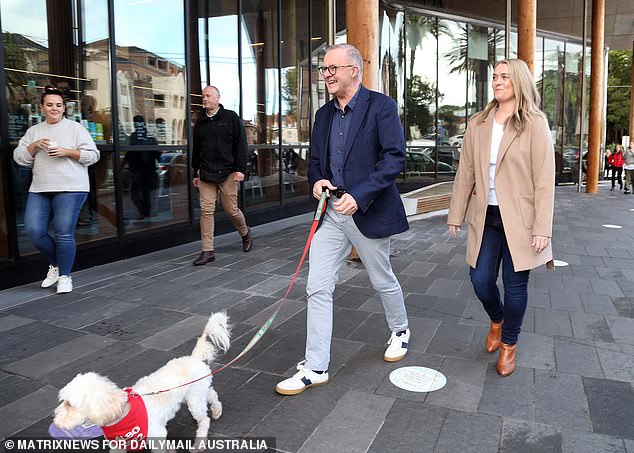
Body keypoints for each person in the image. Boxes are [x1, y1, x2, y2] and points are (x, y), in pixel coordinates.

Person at [275, 44, 410, 395]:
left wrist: (360, 195)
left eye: (333, 68)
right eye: (324, 69)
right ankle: (316, 366)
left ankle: (400, 329)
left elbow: (394, 158)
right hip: (332, 214)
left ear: (355, 69)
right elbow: (317, 162)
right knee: (317, 286)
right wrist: (317, 180)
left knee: (382, 280)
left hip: (368, 211)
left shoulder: (381, 106)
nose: (327, 74)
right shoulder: (323, 115)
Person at [447, 59, 555, 377]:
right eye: (494, 76)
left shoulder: (534, 123)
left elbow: (544, 180)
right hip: (486, 215)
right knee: (480, 281)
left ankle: (509, 345)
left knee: (515, 286)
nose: (497, 81)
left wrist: (542, 228)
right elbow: (465, 170)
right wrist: (456, 213)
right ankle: (497, 319)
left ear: (518, 81)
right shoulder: (479, 123)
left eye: (504, 77)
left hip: (521, 220)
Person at [13, 85, 100, 294]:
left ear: (64, 108)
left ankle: (64, 277)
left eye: (58, 105)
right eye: (50, 105)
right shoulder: (34, 131)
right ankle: (56, 263)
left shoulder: (75, 128)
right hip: (41, 187)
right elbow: (19, 158)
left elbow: (93, 155)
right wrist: (34, 146)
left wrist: (66, 151)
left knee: (63, 232)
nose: (54, 108)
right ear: (42, 107)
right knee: (34, 230)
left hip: (71, 187)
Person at [191, 85, 253, 265]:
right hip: (205, 173)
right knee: (206, 211)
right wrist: (196, 171)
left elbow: (240, 145)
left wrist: (241, 169)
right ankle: (207, 250)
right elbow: (196, 149)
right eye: (203, 96)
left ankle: (245, 233)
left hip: (227, 173)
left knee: (231, 210)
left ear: (218, 97)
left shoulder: (230, 117)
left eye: (208, 95)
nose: (205, 99)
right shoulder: (200, 121)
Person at [126, 115, 160, 219]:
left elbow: (129, 154)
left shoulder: (134, 137)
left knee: (136, 193)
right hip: (149, 169)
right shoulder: (151, 137)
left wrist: (123, 164)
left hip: (138, 169)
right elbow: (157, 154)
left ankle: (144, 212)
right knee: (147, 193)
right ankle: (146, 212)